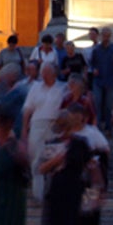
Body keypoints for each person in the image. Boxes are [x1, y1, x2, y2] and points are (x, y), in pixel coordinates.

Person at [39, 113, 89, 225]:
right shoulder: (52, 143)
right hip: (58, 188)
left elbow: (88, 164)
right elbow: (42, 168)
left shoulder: (80, 143)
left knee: (77, 223)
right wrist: (57, 160)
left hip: (75, 187)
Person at [22, 63, 67, 201]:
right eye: (43, 72)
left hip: (55, 125)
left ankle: (55, 194)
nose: (44, 75)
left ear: (54, 74)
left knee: (54, 159)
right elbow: (28, 108)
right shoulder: (35, 87)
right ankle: (38, 195)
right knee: (36, 159)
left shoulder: (62, 88)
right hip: (37, 124)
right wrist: (24, 129)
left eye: (47, 72)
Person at [89, 28, 113, 132]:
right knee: (97, 102)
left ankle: (108, 126)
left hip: (111, 81)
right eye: (104, 36)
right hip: (98, 81)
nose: (105, 38)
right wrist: (94, 70)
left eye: (107, 36)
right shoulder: (96, 50)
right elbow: (92, 64)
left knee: (108, 104)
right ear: (101, 36)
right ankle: (97, 126)